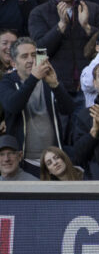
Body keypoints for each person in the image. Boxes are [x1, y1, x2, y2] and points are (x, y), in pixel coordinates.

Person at [0, 37, 74, 177]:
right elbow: (13, 106)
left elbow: (68, 109)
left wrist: (55, 85)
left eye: (34, 55)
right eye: (24, 56)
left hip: (52, 161)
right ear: (14, 63)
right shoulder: (7, 82)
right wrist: (33, 78)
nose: (30, 60)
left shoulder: (48, 79)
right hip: (24, 161)